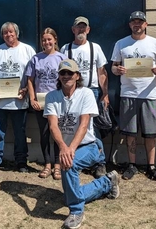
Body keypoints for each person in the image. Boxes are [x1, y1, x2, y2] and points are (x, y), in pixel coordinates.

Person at [44, 59, 120, 229]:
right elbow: (53, 125)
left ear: (77, 76)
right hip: (68, 148)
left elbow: (84, 125)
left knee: (68, 165)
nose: (66, 76)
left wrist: (69, 150)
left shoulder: (86, 94)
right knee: (69, 194)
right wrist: (64, 147)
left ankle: (76, 212)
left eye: (70, 73)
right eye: (62, 73)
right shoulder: (52, 97)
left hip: (91, 146)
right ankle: (107, 182)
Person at [111, 11, 156, 181]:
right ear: (130, 25)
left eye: (140, 22)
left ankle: (151, 167)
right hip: (128, 94)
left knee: (151, 133)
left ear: (146, 24)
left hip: (150, 94)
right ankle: (132, 165)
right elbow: (114, 67)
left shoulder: (155, 43)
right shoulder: (121, 44)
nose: (137, 25)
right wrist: (118, 70)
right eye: (134, 22)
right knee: (130, 133)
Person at [60, 16, 109, 177]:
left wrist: (105, 94)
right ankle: (80, 160)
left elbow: (102, 73)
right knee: (73, 126)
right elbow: (61, 73)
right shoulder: (65, 49)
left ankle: (100, 163)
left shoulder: (95, 48)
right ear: (73, 30)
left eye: (83, 27)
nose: (81, 30)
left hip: (91, 92)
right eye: (78, 27)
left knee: (92, 128)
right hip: (71, 92)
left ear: (88, 30)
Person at [0, 22, 36, 174]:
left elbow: (33, 75)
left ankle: (21, 161)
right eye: (5, 33)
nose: (8, 35)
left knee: (20, 133)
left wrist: (26, 89)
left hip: (19, 101)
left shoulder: (27, 50)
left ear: (17, 33)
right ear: (2, 35)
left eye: (11, 32)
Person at [25, 28, 66, 180]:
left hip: (57, 102)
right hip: (40, 103)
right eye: (44, 40)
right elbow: (30, 80)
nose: (47, 42)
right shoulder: (36, 58)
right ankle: (47, 163)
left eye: (49, 39)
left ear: (55, 40)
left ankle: (57, 164)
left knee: (56, 134)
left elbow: (67, 79)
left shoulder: (62, 58)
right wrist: (32, 98)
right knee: (44, 133)